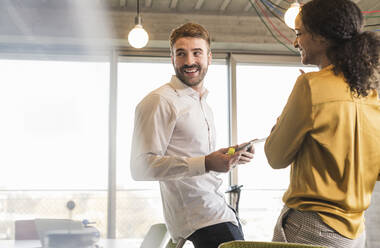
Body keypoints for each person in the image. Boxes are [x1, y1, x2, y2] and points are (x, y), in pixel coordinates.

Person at [264, 0, 380, 247]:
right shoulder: (371, 92)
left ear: (322, 37)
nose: (296, 42)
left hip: (311, 229)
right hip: (355, 234)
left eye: (299, 34)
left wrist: (288, 112)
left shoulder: (311, 86)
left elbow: (275, 156)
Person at [130, 22, 254, 248]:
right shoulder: (159, 101)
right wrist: (206, 162)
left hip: (219, 211)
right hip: (200, 219)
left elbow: (195, 158)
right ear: (172, 59)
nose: (189, 61)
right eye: (181, 54)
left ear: (209, 57)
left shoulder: (203, 105)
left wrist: (230, 157)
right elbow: (140, 167)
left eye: (197, 53)